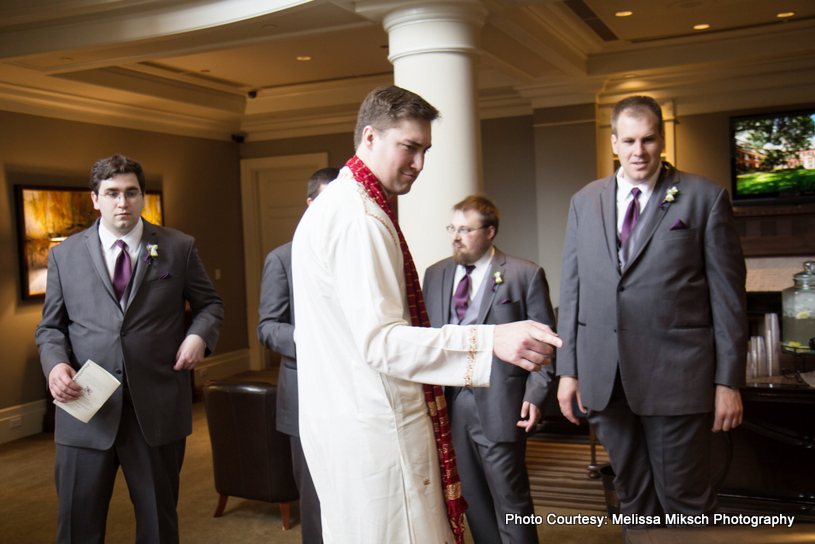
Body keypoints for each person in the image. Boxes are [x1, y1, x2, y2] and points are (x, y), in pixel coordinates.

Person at [291, 85, 561, 544]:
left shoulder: (339, 204)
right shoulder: (359, 218)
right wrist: (488, 339)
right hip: (375, 424)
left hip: (345, 418)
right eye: (409, 148)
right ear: (370, 137)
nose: (419, 163)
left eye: (425, 150)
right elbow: (381, 341)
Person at [556, 95, 747, 525]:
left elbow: (729, 299)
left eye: (648, 139)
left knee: (684, 501)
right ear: (613, 143)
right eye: (628, 141)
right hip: (605, 379)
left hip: (677, 379)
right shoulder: (584, 201)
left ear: (662, 139)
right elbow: (573, 292)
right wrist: (567, 371)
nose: (638, 151)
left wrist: (727, 382)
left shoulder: (704, 198)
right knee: (632, 496)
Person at [36, 154, 224, 544]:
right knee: (76, 527)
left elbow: (211, 305)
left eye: (131, 193)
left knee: (158, 524)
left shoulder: (178, 247)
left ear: (142, 197)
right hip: (85, 410)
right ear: (95, 199)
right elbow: (51, 328)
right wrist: (55, 366)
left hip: (155, 409)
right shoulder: (64, 254)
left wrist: (198, 336)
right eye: (112, 193)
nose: (123, 202)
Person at [423, 195, 556, 544]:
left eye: (465, 229)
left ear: (490, 231)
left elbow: (546, 343)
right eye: (452, 228)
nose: (456, 236)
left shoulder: (524, 274)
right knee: (473, 503)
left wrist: (537, 394)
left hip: (501, 402)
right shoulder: (434, 274)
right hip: (450, 407)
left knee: (511, 500)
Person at [257, 166, 338, 543]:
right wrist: (314, 339)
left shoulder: (355, 253)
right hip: (304, 393)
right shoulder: (282, 259)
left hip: (355, 393)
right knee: (314, 498)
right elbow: (268, 328)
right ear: (310, 204)